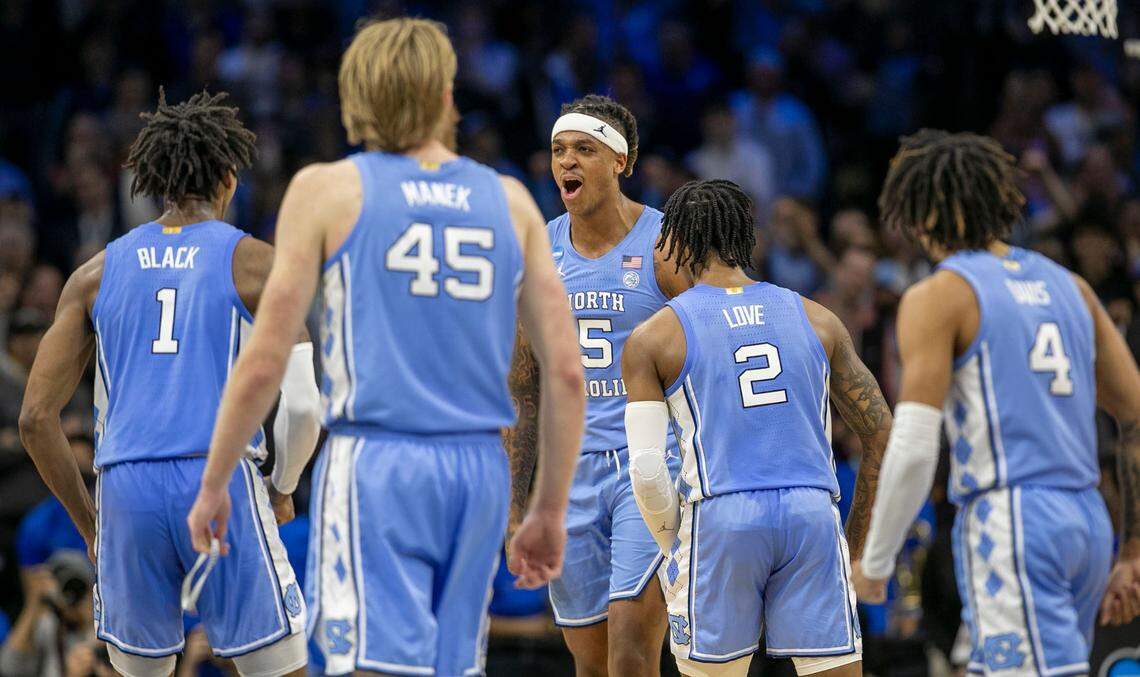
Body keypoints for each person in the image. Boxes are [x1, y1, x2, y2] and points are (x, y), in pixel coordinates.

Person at [186, 18, 585, 676]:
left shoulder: (327, 189)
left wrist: (213, 483)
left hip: (379, 461)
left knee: (372, 667)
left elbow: (265, 357)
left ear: (357, 94)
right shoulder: (510, 200)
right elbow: (565, 373)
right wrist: (547, 509)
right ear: (445, 94)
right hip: (478, 466)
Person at [19, 89, 322, 677]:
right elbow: (305, 406)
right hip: (217, 477)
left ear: (154, 180)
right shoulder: (256, 261)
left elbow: (34, 418)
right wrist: (282, 485)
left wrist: (91, 526)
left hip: (125, 484)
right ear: (230, 179)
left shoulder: (93, 272)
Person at [853, 130, 1140, 674]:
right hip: (1087, 520)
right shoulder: (1071, 287)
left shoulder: (941, 294)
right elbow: (1135, 416)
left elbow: (915, 444)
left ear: (924, 213)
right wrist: (1133, 551)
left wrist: (878, 558)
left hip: (1014, 516)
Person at [622, 179, 892, 677]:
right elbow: (882, 436)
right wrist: (852, 545)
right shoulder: (818, 318)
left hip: (722, 514)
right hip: (812, 512)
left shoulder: (655, 335)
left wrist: (673, 544)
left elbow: (645, 469)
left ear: (677, 243)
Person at [506, 94, 691, 676]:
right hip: (569, 477)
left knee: (632, 654)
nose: (568, 161)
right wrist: (517, 505)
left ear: (621, 162)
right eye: (560, 150)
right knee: (590, 664)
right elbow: (524, 389)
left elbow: (715, 357)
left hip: (651, 463)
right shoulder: (538, 252)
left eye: (585, 149)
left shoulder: (667, 245)